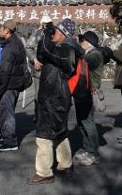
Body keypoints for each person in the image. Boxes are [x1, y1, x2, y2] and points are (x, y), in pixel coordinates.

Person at [27, 18, 83, 185]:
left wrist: (46, 33)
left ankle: (44, 172)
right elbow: (41, 54)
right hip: (56, 96)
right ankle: (65, 165)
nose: (53, 34)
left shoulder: (67, 49)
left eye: (56, 31)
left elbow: (45, 52)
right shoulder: (64, 48)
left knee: (44, 135)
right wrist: (48, 33)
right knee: (59, 132)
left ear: (64, 34)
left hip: (54, 98)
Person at [0, 19, 28, 152]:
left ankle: (10, 142)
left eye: (1, 28)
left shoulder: (9, 48)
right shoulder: (16, 42)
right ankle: (7, 136)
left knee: (6, 113)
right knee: (8, 112)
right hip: (15, 83)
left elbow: (4, 72)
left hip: (9, 85)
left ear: (7, 30)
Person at [73, 30, 104, 166]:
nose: (81, 43)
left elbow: (85, 61)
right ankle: (87, 148)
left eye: (83, 41)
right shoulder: (87, 53)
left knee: (88, 122)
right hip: (81, 91)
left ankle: (93, 153)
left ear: (89, 43)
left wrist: (77, 50)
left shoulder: (95, 54)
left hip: (89, 92)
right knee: (81, 122)